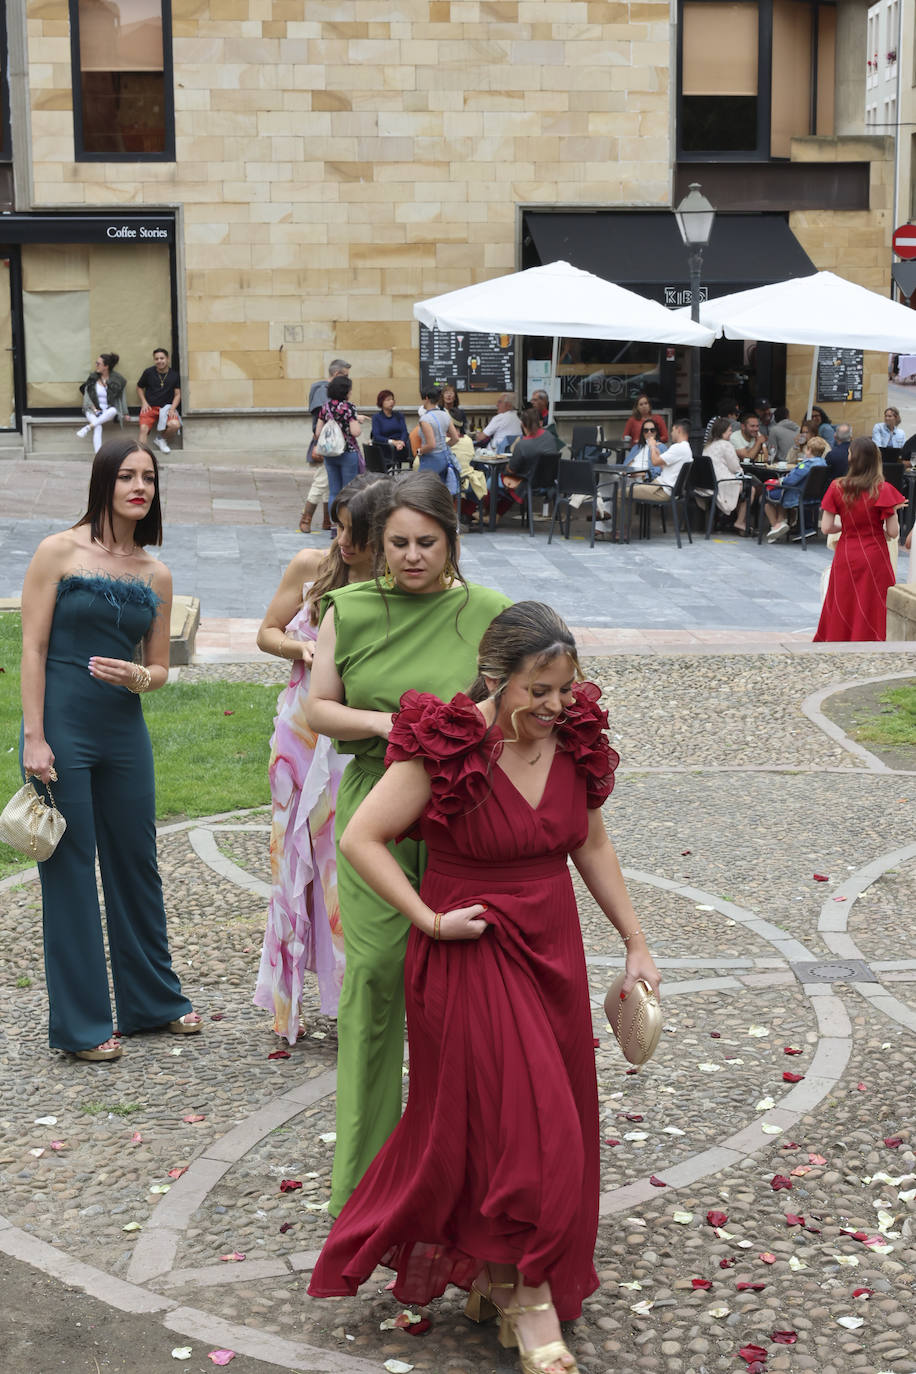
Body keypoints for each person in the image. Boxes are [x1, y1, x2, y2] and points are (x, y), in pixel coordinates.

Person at [308, 602, 660, 1374]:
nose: (556, 706)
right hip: (469, 948)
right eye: (539, 690)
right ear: (496, 680)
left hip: (553, 950)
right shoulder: (448, 742)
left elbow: (591, 842)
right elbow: (362, 837)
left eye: (565, 688)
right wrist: (427, 920)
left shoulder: (573, 736)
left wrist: (635, 942)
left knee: (533, 1115)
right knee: (527, 1128)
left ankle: (495, 1279)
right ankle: (527, 1302)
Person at [304, 473, 510, 1216]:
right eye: (398, 543)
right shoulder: (348, 610)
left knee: (462, 992)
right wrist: (384, 725)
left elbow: (513, 708)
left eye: (428, 542)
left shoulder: (489, 612)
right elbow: (317, 708)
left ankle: (459, 1173)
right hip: (374, 810)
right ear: (376, 543)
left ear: (453, 539)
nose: (413, 556)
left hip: (464, 814)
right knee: (379, 975)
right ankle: (364, 1186)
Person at [18, 437, 201, 1061]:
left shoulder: (156, 572)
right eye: (126, 476)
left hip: (124, 730)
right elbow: (33, 650)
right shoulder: (57, 551)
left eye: (148, 477)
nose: (138, 486)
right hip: (62, 726)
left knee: (136, 862)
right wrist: (35, 736)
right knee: (68, 871)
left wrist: (142, 679)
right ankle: (83, 1025)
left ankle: (154, 1002)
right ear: (104, 482)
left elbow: (160, 668)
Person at [253, 474, 392, 1042]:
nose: (341, 542)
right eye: (337, 527)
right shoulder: (311, 567)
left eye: (353, 532)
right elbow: (266, 631)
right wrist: (299, 646)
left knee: (344, 865)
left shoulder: (396, 585)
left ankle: (352, 998)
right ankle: (292, 999)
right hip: (300, 735)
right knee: (293, 865)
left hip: (355, 741)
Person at [815, 437, 905, 641]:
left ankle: (839, 641)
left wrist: (845, 526)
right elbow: (892, 532)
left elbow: (827, 527)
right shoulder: (884, 489)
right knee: (874, 602)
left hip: (847, 551)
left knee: (844, 601)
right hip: (875, 554)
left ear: (852, 458)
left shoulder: (837, 487)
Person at [301, 360, 351, 535]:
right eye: (345, 375)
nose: (348, 380)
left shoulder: (324, 393)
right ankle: (306, 519)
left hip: (331, 444)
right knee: (321, 482)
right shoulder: (323, 393)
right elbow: (322, 423)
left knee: (329, 485)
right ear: (337, 375)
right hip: (328, 444)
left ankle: (326, 521)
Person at [764, 435, 829, 541]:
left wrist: (779, 481)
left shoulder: (806, 465)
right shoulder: (823, 464)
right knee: (780, 492)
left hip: (796, 495)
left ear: (809, 450)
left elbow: (791, 481)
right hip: (814, 497)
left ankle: (775, 525)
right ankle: (781, 522)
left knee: (766, 494)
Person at [315, 373, 363, 513]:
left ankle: (335, 527)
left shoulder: (325, 407)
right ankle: (346, 527)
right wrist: (357, 422)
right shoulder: (349, 408)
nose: (351, 392)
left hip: (330, 453)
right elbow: (355, 432)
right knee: (349, 492)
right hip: (348, 453)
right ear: (345, 391)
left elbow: (318, 433)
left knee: (334, 492)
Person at [629, 418, 693, 508]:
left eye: (672, 430)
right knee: (630, 489)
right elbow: (664, 467)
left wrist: (651, 446)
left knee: (621, 492)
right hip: (665, 487)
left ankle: (622, 522)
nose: (671, 433)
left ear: (678, 430)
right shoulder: (686, 448)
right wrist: (657, 453)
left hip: (662, 490)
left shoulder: (678, 448)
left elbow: (654, 462)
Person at [703, 415, 751, 529]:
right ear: (723, 431)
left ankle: (730, 521)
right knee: (750, 489)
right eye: (729, 430)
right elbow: (735, 468)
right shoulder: (726, 445)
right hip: (721, 483)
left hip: (707, 484)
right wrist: (741, 472)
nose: (731, 433)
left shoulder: (708, 446)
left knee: (743, 486)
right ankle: (740, 522)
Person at [77, 353, 128, 454]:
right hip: (92, 409)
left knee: (114, 410)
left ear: (106, 366)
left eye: (98, 364)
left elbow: (122, 397)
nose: (96, 365)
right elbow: (87, 397)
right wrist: (95, 409)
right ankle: (99, 456)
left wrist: (125, 413)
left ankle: (87, 428)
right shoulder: (92, 379)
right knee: (98, 426)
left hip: (107, 411)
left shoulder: (117, 380)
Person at [137, 348, 181, 454]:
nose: (159, 361)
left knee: (175, 425)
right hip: (150, 407)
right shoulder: (148, 372)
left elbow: (178, 394)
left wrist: (172, 408)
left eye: (162, 358)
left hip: (166, 408)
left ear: (167, 359)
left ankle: (161, 439)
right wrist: (144, 402)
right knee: (143, 429)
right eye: (156, 359)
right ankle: (141, 455)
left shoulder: (174, 375)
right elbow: (139, 387)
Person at [416, 386, 461, 492]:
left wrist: (419, 451)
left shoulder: (425, 419)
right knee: (441, 492)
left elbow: (431, 445)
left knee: (424, 492)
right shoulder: (445, 415)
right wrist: (445, 446)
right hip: (445, 458)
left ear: (426, 398)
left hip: (431, 461)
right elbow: (455, 438)